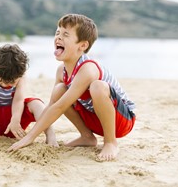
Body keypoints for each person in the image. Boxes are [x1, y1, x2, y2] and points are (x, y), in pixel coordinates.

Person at [8, 14, 136, 162]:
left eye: (65, 35)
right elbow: (53, 105)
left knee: (97, 87)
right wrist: (44, 135)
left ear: (82, 45)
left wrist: (30, 137)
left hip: (120, 121)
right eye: (57, 33)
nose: (59, 37)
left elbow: (60, 107)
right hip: (95, 118)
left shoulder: (87, 69)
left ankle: (110, 142)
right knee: (60, 90)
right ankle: (87, 137)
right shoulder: (61, 71)